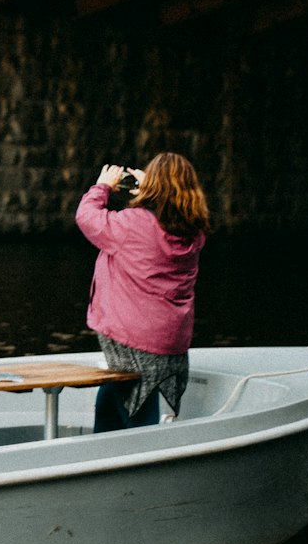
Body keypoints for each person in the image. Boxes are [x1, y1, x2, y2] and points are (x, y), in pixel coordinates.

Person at [75, 154, 210, 432]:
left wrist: (103, 186)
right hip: (170, 338)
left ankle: (136, 462)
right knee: (118, 392)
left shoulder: (133, 224)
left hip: (131, 336)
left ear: (153, 186)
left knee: (137, 410)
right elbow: (167, 213)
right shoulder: (194, 232)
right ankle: (102, 449)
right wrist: (152, 192)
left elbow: (87, 217)